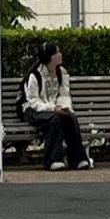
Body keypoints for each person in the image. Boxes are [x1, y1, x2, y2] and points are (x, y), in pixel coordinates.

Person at [21, 43, 88, 171]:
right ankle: (53, 159)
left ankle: (78, 159)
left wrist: (64, 107)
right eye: (58, 52)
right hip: (34, 110)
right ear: (51, 57)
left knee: (71, 118)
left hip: (55, 109)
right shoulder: (35, 75)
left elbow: (64, 94)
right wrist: (53, 108)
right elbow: (33, 101)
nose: (60, 54)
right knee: (55, 120)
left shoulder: (62, 73)